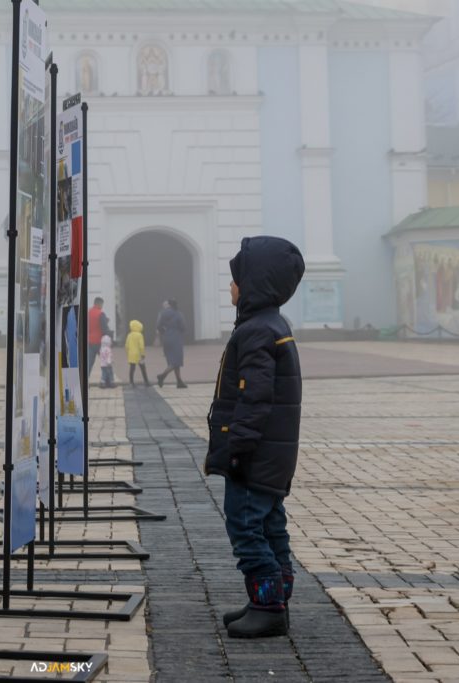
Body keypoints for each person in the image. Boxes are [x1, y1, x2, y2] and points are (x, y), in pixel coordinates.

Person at [205, 235, 304, 639]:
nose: (231, 287)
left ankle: (268, 607)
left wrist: (236, 451)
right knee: (271, 525)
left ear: (254, 284)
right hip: (272, 457)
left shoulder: (256, 332)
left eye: (236, 279)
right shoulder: (273, 325)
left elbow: (255, 398)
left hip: (254, 455)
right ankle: (272, 600)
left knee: (246, 527)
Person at [156, 298, 188, 389]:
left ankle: (179, 382)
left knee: (173, 361)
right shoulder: (178, 314)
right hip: (176, 339)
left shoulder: (162, 314)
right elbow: (183, 327)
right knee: (176, 361)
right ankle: (162, 376)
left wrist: (164, 332)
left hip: (166, 339)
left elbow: (158, 326)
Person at [86, 297, 111, 379]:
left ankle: (85, 382)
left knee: (88, 364)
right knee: (106, 361)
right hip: (100, 342)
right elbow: (104, 329)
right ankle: (108, 380)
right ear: (99, 304)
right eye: (102, 304)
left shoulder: (88, 312)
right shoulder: (100, 314)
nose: (102, 306)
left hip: (89, 342)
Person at [124, 320, 150, 387]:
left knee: (132, 368)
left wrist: (128, 353)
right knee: (143, 368)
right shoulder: (140, 335)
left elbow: (126, 345)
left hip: (131, 354)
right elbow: (141, 346)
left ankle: (131, 382)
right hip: (138, 355)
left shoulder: (129, 335)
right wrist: (143, 354)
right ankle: (146, 382)